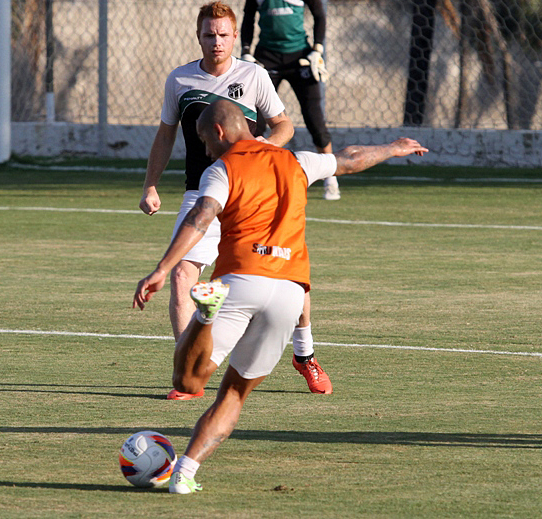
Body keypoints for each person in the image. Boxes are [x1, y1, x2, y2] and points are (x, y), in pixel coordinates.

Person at [133, 99, 428, 494]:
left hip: (241, 281)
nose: (204, 150)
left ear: (219, 133)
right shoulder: (297, 160)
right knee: (234, 393)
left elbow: (201, 215)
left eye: (203, 140)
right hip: (290, 292)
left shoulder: (222, 168)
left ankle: (204, 316)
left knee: (187, 380)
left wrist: (163, 269)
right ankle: (184, 474)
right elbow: (350, 158)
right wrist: (393, 149)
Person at [139, 0, 332, 398]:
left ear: (234, 36)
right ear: (198, 36)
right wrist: (150, 185)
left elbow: (284, 126)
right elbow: (165, 135)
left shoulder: (254, 75)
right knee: (182, 276)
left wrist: (259, 151)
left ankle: (305, 354)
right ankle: (189, 373)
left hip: (253, 192)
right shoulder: (180, 80)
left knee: (285, 268)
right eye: (209, 34)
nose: (217, 42)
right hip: (203, 191)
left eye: (224, 35)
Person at [240, 0, 340, 200]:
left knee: (314, 118)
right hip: (267, 57)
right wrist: (246, 51)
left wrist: (317, 49)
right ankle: (247, 173)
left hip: (300, 58)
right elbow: (248, 16)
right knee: (255, 120)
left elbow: (319, 15)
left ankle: (331, 178)